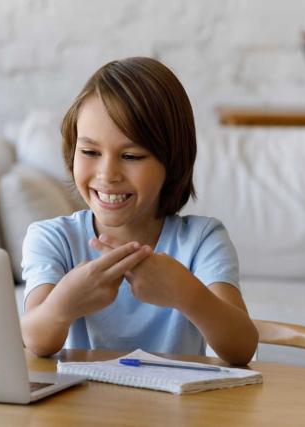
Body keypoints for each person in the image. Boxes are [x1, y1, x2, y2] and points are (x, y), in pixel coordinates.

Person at [20, 57, 258, 365]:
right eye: (90, 152)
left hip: (176, 412)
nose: (108, 174)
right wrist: (63, 305)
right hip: (79, 410)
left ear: (171, 162)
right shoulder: (52, 238)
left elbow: (241, 349)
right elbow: (36, 342)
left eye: (131, 155)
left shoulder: (201, 240)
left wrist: (184, 293)